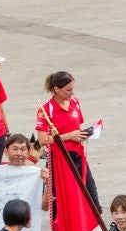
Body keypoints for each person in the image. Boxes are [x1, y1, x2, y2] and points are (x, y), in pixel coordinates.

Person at [36, 71, 98, 203]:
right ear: (56, 89)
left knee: (91, 196)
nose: (72, 93)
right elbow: (42, 140)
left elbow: (77, 128)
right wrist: (68, 136)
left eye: (73, 89)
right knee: (59, 200)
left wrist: (85, 134)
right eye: (68, 90)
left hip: (78, 155)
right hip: (59, 158)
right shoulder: (45, 110)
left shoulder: (75, 102)